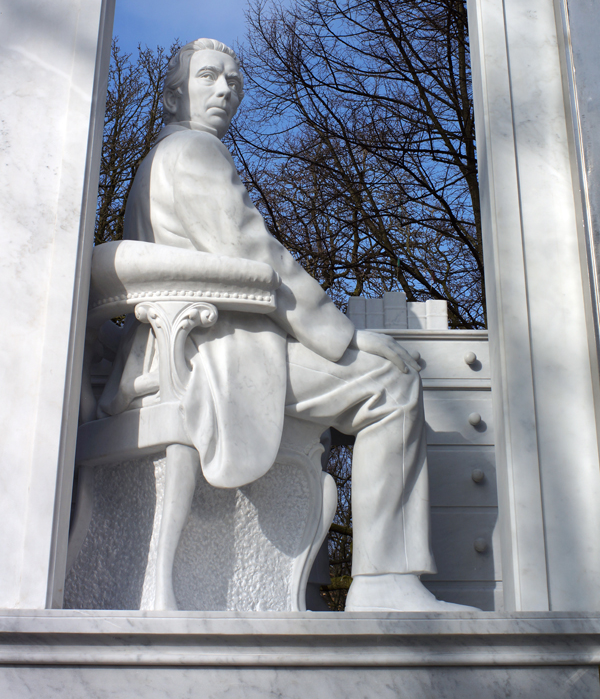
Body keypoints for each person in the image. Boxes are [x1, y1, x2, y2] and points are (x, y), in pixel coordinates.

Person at [99, 38, 475, 613]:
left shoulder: (152, 163)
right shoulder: (195, 153)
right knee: (389, 384)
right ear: (175, 94)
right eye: (208, 78)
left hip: (173, 347)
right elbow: (259, 259)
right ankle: (386, 582)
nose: (225, 90)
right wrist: (345, 337)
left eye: (233, 81)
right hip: (216, 346)